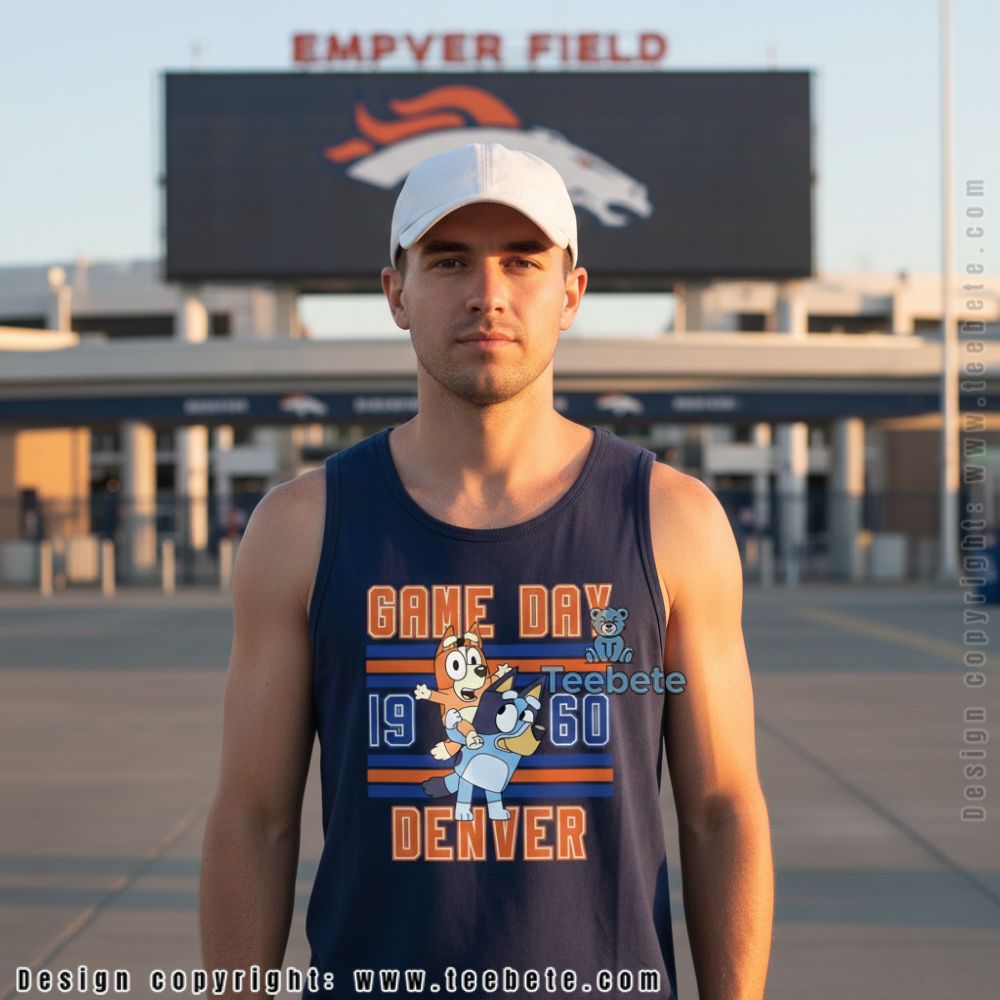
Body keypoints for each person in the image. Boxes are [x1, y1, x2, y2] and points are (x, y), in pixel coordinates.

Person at [200, 143, 773, 999]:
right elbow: (255, 819)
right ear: (396, 292)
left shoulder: (671, 520)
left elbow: (721, 809)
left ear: (571, 293)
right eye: (449, 260)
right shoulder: (302, 527)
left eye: (522, 261)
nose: (488, 294)